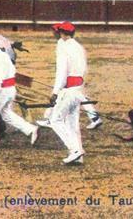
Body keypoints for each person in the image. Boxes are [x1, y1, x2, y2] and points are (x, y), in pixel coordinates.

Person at [0, 37, 38, 149]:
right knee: (6, 114)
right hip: (10, 88)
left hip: (2, 90)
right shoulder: (4, 54)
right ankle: (30, 129)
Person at [44, 21, 90, 164]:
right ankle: (78, 157)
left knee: (55, 120)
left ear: (61, 33)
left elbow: (62, 72)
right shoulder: (78, 47)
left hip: (69, 89)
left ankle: (75, 150)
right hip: (78, 88)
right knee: (72, 124)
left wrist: (55, 92)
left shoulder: (63, 47)